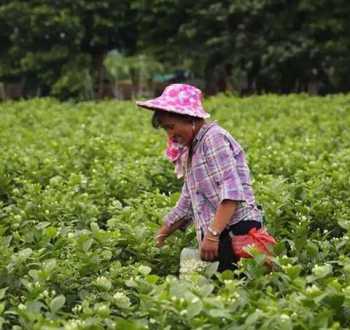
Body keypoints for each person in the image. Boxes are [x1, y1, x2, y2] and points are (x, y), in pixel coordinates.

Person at [136, 83, 263, 272]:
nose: (170, 135)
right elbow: (187, 203)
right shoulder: (192, 150)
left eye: (171, 127)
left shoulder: (214, 138)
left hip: (237, 231)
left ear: (190, 118)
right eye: (166, 130)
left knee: (238, 289)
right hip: (219, 234)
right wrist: (161, 235)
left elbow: (232, 193)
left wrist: (212, 236)